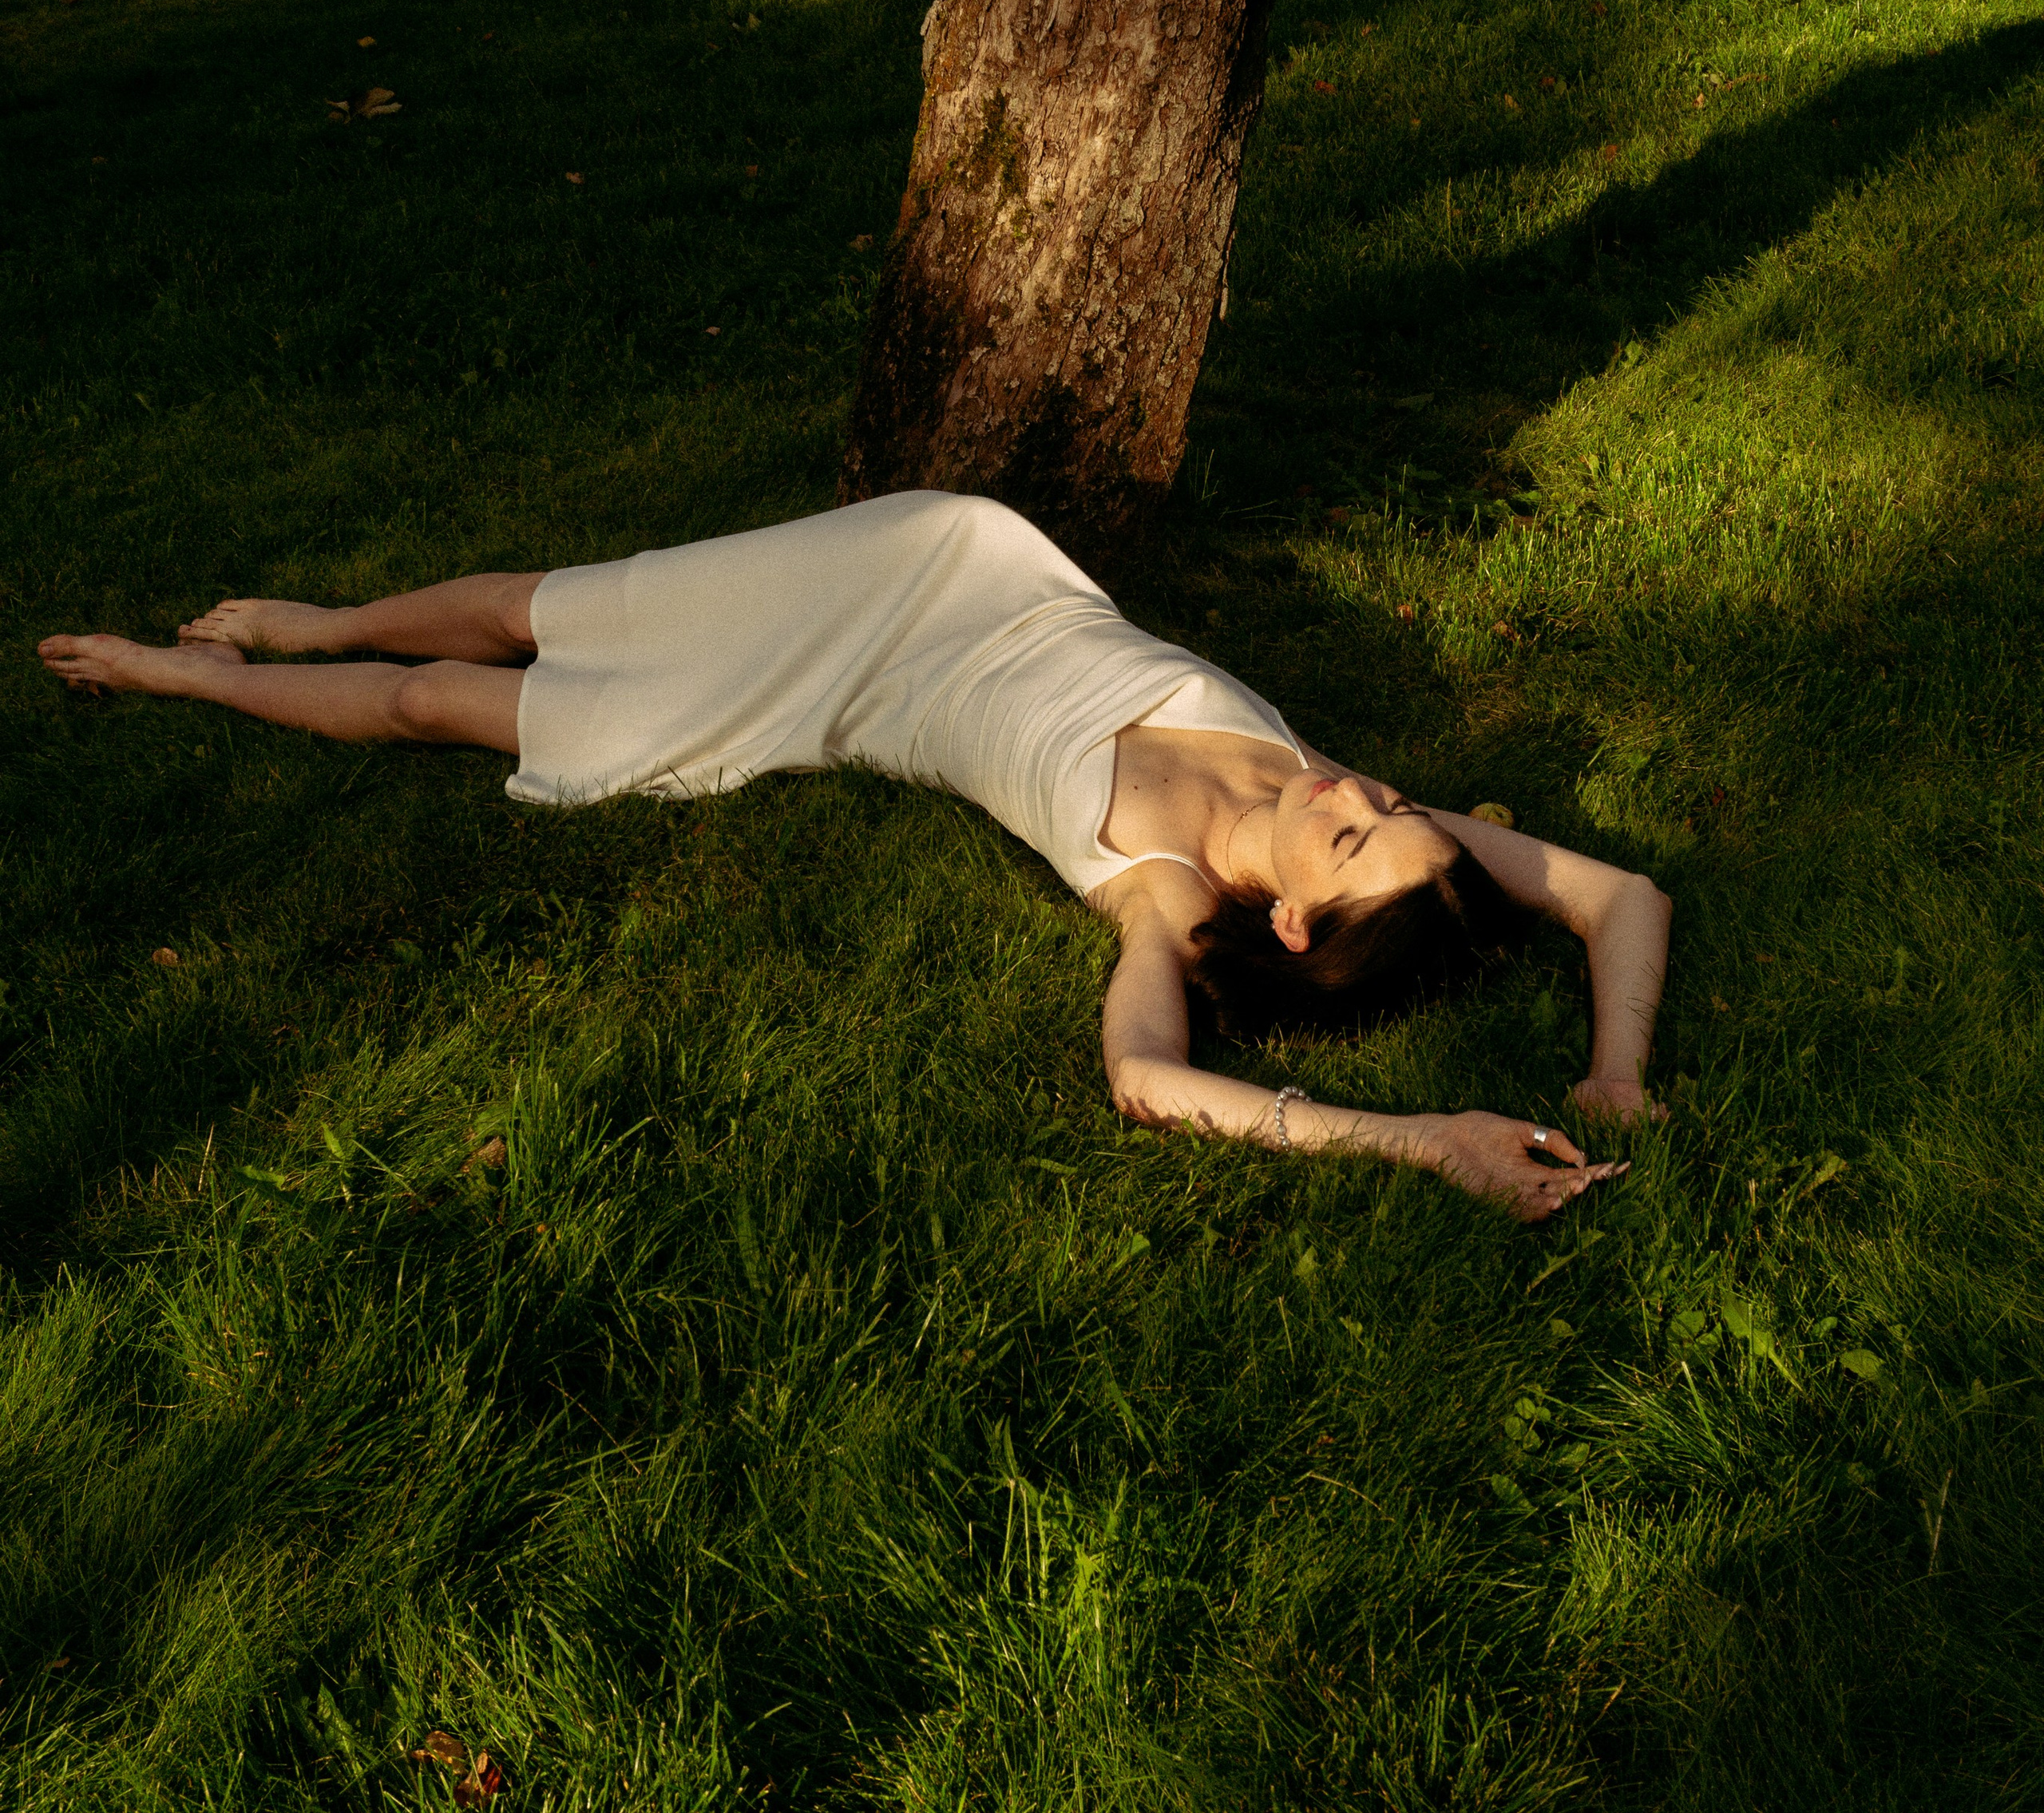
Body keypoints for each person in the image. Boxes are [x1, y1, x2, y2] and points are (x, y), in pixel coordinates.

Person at [38, 491, 1667, 1221]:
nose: (1370, 794)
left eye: (1362, 834)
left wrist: (1417, 1141)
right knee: (538, 603)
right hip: (941, 559)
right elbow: (1619, 897)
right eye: (1385, 811)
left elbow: (1151, 1089)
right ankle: (317, 614)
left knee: (432, 704)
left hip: (862, 695)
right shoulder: (1354, 817)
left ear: (1300, 920)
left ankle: (201, 674)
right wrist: (1611, 1072)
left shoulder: (1163, 906)